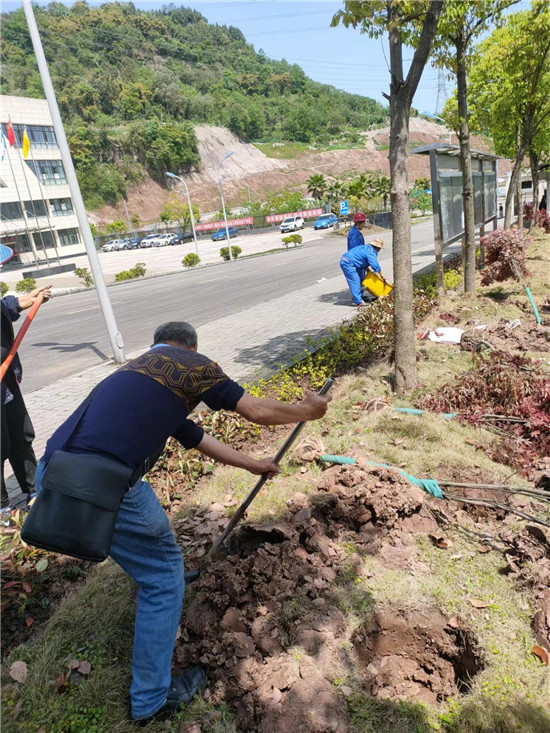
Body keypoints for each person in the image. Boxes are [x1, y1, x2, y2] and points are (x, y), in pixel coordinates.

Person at [36, 321, 331, 725]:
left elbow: (199, 439)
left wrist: (255, 465)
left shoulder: (140, 373)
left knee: (156, 555)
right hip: (100, 482)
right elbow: (257, 411)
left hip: (55, 469)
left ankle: (160, 575)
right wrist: (309, 411)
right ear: (190, 346)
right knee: (163, 578)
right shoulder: (190, 364)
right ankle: (151, 701)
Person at [1, 284, 52, 517]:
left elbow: (4, 308)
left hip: (5, 379)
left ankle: (33, 493)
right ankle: (3, 510)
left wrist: (25, 301)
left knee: (21, 436)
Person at [340, 238, 385, 306]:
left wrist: (368, 271)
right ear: (378, 248)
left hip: (348, 261)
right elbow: (374, 264)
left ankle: (359, 297)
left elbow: (361, 260)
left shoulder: (367, 247)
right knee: (355, 281)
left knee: (360, 280)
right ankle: (358, 302)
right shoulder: (371, 252)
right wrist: (381, 274)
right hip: (348, 263)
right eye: (380, 249)